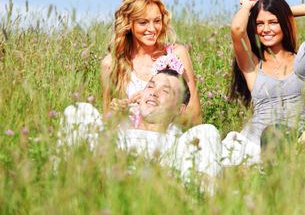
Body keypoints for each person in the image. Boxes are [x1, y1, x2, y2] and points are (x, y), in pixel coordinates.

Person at [222, 0, 305, 165]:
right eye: (260, 23)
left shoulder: (304, 61)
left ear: (284, 23)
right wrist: (247, 7)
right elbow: (237, 29)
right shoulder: (253, 64)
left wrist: (284, 12)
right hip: (252, 145)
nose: (265, 29)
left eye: (273, 22)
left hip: (289, 146)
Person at [58, 69, 222, 181]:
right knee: (80, 110)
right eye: (150, 86)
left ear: (179, 109)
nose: (153, 92)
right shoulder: (118, 134)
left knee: (208, 131)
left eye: (165, 91)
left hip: (163, 185)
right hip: (106, 178)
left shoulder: (180, 145)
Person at [100, 0, 202, 126]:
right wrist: (120, 110)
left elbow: (195, 118)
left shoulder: (177, 54)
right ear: (129, 24)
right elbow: (107, 122)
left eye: (157, 21)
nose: (152, 29)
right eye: (143, 22)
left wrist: (158, 108)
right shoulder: (111, 64)